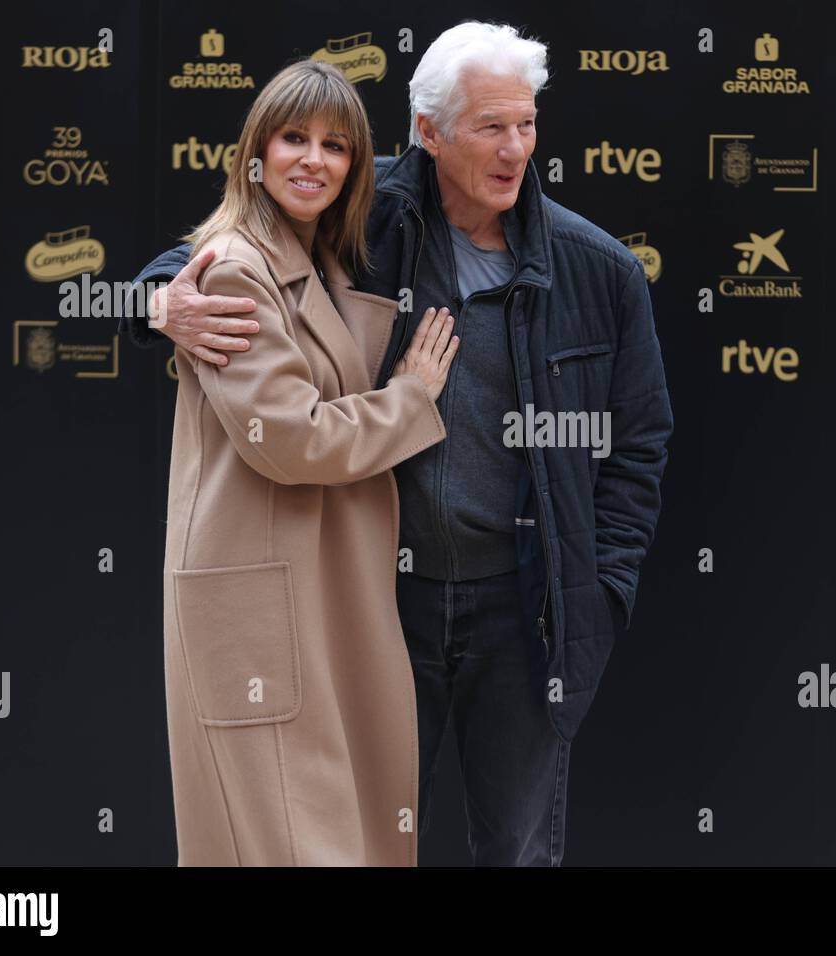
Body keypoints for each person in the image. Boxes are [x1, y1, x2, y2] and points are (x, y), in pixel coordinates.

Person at [127, 21, 673, 866]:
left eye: (526, 124)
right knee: (361, 840)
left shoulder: (598, 270)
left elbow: (638, 445)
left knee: (519, 850)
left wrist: (601, 591)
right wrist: (156, 302)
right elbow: (209, 254)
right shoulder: (361, 211)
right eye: (491, 127)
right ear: (429, 132)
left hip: (526, 613)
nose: (515, 148)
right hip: (381, 599)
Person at [159, 58, 460, 866]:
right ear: (255, 152)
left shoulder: (317, 260)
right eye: (294, 137)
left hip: (314, 595)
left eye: (335, 146)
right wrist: (412, 397)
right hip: (263, 611)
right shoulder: (235, 267)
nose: (313, 160)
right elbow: (290, 439)